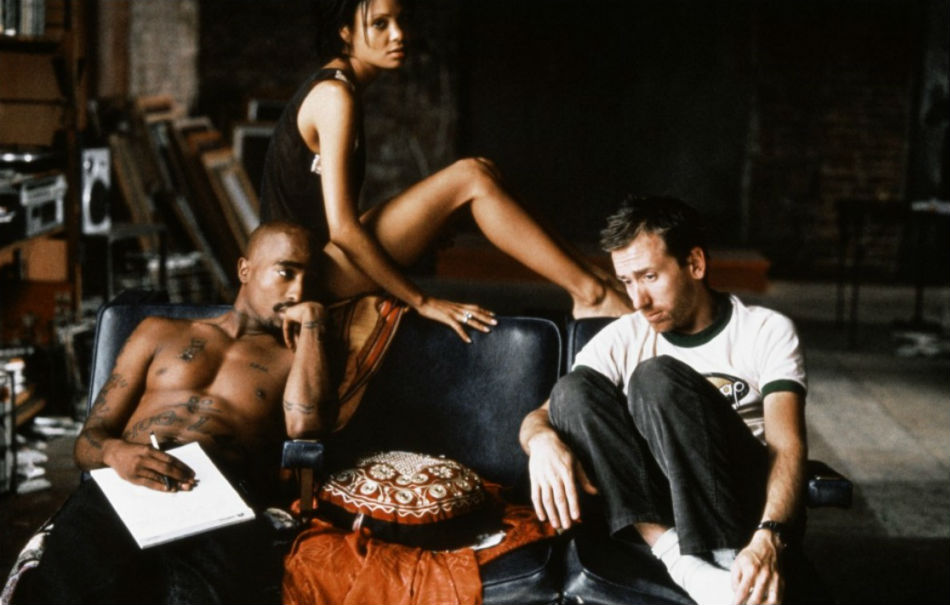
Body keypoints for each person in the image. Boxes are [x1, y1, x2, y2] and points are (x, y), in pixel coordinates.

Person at [260, 0, 631, 342]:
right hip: (305, 278)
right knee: (471, 178)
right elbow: (343, 230)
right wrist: (422, 301)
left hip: (320, 257)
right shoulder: (335, 97)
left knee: (484, 170)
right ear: (345, 32)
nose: (399, 34)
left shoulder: (338, 87)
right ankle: (591, 294)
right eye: (380, 24)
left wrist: (426, 223)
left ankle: (593, 277)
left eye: (402, 20)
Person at [13, 222, 333, 605]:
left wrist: (312, 326)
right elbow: (87, 443)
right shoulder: (157, 332)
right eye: (286, 272)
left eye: (309, 280)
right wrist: (116, 453)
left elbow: (305, 424)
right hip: (127, 486)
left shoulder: (294, 359)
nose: (298, 292)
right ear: (245, 270)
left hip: (219, 498)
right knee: (65, 590)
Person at [519, 197, 808, 605]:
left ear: (695, 264)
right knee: (572, 390)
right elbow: (542, 413)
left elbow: (787, 444)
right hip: (663, 508)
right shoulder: (626, 334)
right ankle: (687, 567)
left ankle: (728, 565)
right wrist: (541, 442)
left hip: (743, 501)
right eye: (627, 282)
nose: (638, 300)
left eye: (650, 276)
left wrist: (769, 535)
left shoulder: (766, 330)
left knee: (655, 378)